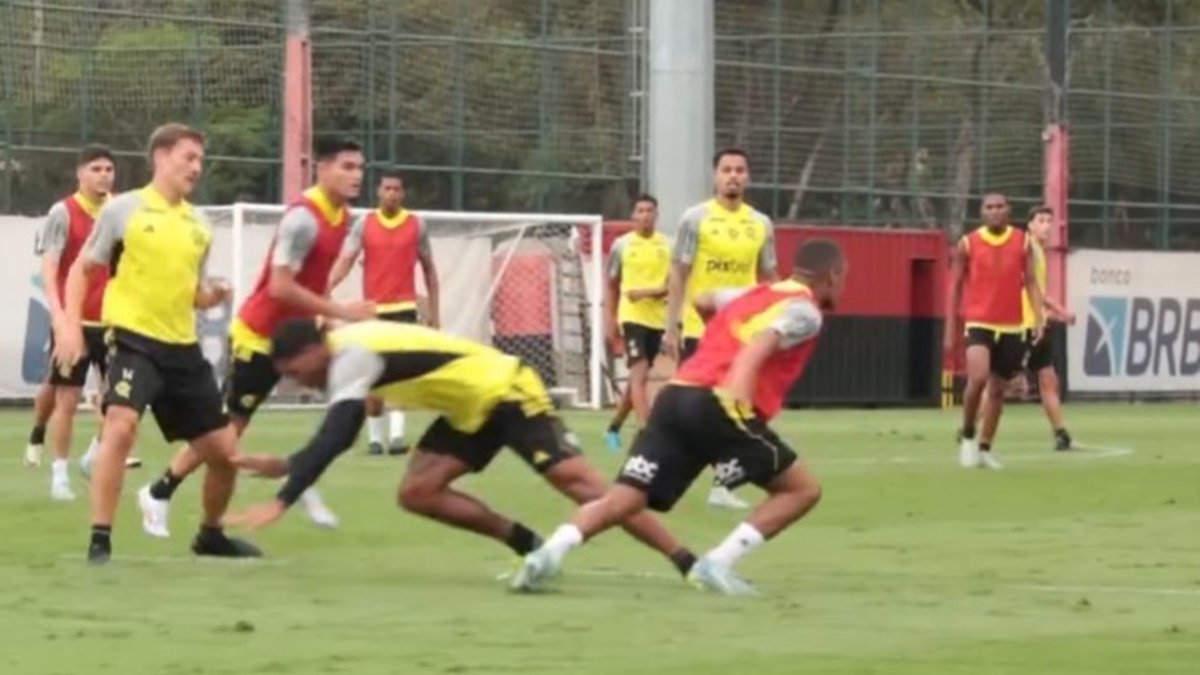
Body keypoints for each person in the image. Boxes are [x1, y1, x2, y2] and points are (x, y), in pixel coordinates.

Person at [228, 318, 700, 582]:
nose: (295, 379)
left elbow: (335, 437)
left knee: (586, 489)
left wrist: (283, 496)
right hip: (466, 410)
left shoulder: (351, 353)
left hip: (504, 390)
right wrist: (288, 466)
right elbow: (339, 435)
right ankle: (527, 544)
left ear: (314, 349)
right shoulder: (343, 357)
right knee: (418, 492)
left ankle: (687, 562)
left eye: (294, 368)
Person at [509, 239, 846, 595]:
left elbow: (703, 300)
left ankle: (547, 554)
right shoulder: (806, 312)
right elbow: (760, 344)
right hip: (717, 400)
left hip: (677, 393)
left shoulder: (756, 294)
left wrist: (713, 350)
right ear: (833, 275)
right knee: (801, 490)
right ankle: (718, 563)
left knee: (624, 500)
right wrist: (737, 390)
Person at [135, 137, 373, 538]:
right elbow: (279, 287)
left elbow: (311, 281)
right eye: (347, 167)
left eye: (360, 168)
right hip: (260, 337)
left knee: (352, 404)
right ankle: (159, 491)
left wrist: (325, 318)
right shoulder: (304, 218)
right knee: (226, 437)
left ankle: (301, 476)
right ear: (322, 167)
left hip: (300, 337)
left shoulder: (342, 216)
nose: (356, 176)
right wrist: (341, 312)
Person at [55, 123, 260, 564]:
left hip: (183, 350)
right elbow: (79, 270)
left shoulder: (200, 225)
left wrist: (213, 295)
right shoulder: (123, 211)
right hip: (133, 339)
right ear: (161, 157)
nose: (196, 167)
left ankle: (210, 535)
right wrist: (70, 327)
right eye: (189, 157)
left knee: (225, 454)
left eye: (200, 160)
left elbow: (193, 293)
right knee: (121, 425)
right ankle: (100, 541)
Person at [662, 148, 777, 509]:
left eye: (740, 170)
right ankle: (674, 471)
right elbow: (678, 272)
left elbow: (770, 277)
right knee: (703, 409)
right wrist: (671, 325)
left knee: (737, 407)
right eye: (726, 170)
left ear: (748, 176)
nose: (733, 176)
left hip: (742, 332)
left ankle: (721, 482)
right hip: (702, 327)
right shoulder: (695, 219)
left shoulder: (760, 224)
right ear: (715, 176)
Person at [34, 144, 125, 500]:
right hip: (76, 320)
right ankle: (59, 473)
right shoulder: (64, 212)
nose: (103, 175)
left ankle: (92, 456)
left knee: (121, 402)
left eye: (108, 169)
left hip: (114, 320)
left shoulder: (119, 211)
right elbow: (50, 267)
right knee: (67, 397)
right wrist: (59, 316)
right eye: (96, 169)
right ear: (80, 174)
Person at [327, 169, 439, 456]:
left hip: (404, 309)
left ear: (402, 194)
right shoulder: (365, 224)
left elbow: (429, 269)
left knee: (400, 374)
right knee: (372, 376)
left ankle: (397, 437)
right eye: (386, 188)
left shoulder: (417, 225)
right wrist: (325, 287)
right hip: (372, 312)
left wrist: (435, 314)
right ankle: (376, 440)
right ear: (378, 192)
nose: (391, 193)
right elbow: (346, 260)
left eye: (396, 189)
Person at [945, 193, 1044, 470]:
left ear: (1008, 210)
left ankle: (985, 447)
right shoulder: (968, 243)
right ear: (982, 212)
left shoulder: (1022, 241)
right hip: (978, 323)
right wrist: (950, 328)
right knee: (977, 379)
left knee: (999, 390)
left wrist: (1039, 317)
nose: (995, 211)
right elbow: (954, 287)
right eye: (989, 207)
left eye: (1000, 206)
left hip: (1012, 325)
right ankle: (967, 436)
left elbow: (1032, 282)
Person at [979, 206, 1074, 451]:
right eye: (1041, 220)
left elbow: (1038, 292)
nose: (1047, 226)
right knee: (999, 384)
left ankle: (1060, 433)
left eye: (1049, 221)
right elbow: (1031, 290)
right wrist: (1061, 311)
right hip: (1024, 327)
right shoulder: (1027, 249)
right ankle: (970, 424)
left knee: (1048, 379)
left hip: (1039, 325)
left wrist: (1051, 313)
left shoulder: (1039, 252)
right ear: (1030, 225)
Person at [603, 194, 669, 452]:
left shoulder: (667, 246)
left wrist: (645, 293)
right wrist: (610, 318)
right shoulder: (622, 245)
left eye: (649, 210)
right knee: (639, 374)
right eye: (640, 210)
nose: (644, 215)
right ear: (633, 215)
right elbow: (611, 285)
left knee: (636, 380)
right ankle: (647, 432)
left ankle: (613, 427)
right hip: (631, 318)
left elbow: (670, 286)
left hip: (656, 320)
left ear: (656, 215)